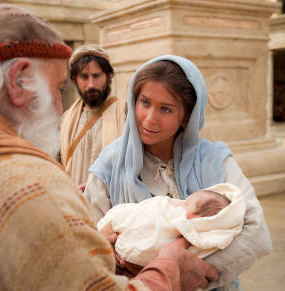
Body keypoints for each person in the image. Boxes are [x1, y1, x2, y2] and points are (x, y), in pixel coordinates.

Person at [0, 5, 219, 290]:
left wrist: (73, 238)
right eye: (58, 88)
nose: (61, 109)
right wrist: (170, 269)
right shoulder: (29, 185)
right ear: (19, 81)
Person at [84, 56, 273, 290]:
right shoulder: (109, 165)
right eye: (144, 102)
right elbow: (90, 244)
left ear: (186, 117)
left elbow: (256, 233)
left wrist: (187, 271)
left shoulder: (213, 161)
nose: (150, 118)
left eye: (165, 108)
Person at [98, 183, 245, 267]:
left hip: (139, 263)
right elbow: (150, 209)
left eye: (187, 204)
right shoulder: (109, 160)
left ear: (202, 221)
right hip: (115, 249)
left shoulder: (194, 232)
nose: (180, 204)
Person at [60, 45, 126, 186]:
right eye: (84, 77)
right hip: (76, 201)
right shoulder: (66, 120)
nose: (91, 84)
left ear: (108, 76)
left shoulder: (125, 114)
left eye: (96, 76)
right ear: (75, 80)